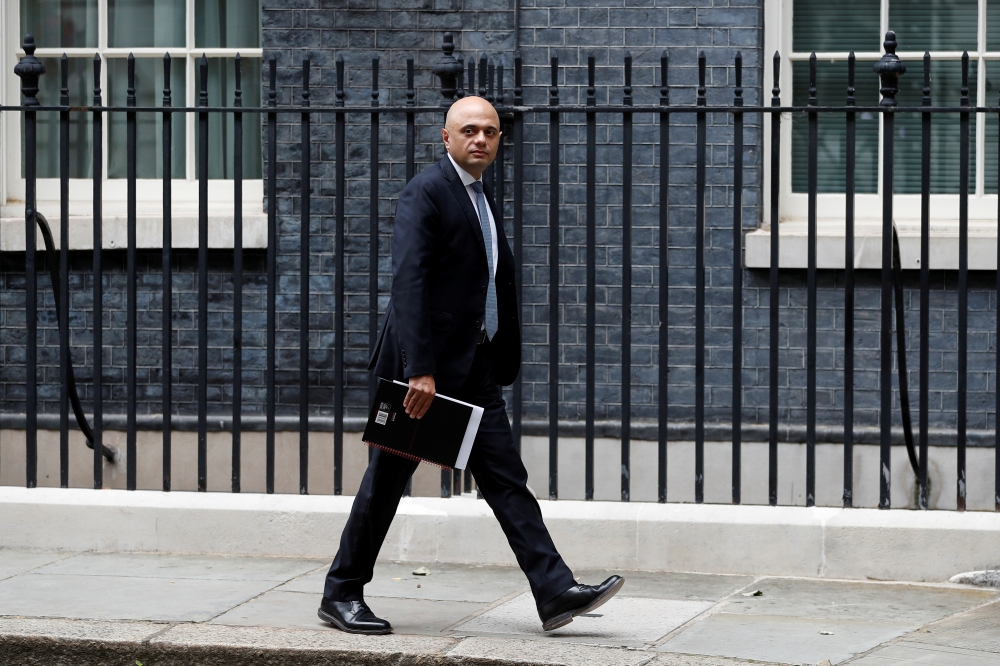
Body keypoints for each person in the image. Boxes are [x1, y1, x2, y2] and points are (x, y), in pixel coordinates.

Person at [318, 96, 624, 635]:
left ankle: (554, 590)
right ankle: (341, 593)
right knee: (386, 483)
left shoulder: (480, 197)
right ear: (447, 138)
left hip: (474, 365)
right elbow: (408, 284)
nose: (480, 139)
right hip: (425, 375)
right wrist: (419, 369)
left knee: (507, 478)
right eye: (469, 131)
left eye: (490, 131)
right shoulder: (428, 192)